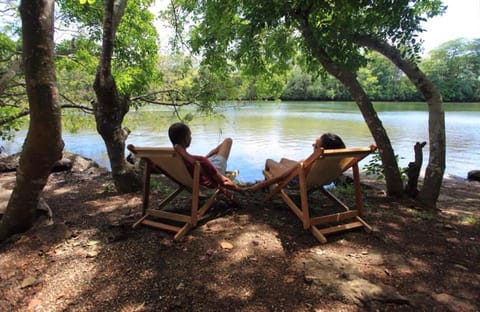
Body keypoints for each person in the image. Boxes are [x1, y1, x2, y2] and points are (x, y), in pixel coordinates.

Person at [248, 133, 346, 191]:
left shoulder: (305, 163)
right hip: (319, 178)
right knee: (283, 160)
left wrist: (255, 187)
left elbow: (280, 178)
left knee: (269, 161)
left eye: (315, 146)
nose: (312, 147)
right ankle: (265, 183)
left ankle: (265, 186)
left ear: (321, 150)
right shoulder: (335, 160)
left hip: (294, 181)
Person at [168, 122, 244, 192]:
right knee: (228, 141)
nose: (191, 138)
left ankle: (210, 155)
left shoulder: (171, 159)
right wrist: (244, 190)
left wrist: (205, 159)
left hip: (198, 171)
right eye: (189, 135)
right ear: (185, 138)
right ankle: (212, 154)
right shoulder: (200, 161)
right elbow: (224, 182)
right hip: (210, 175)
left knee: (216, 151)